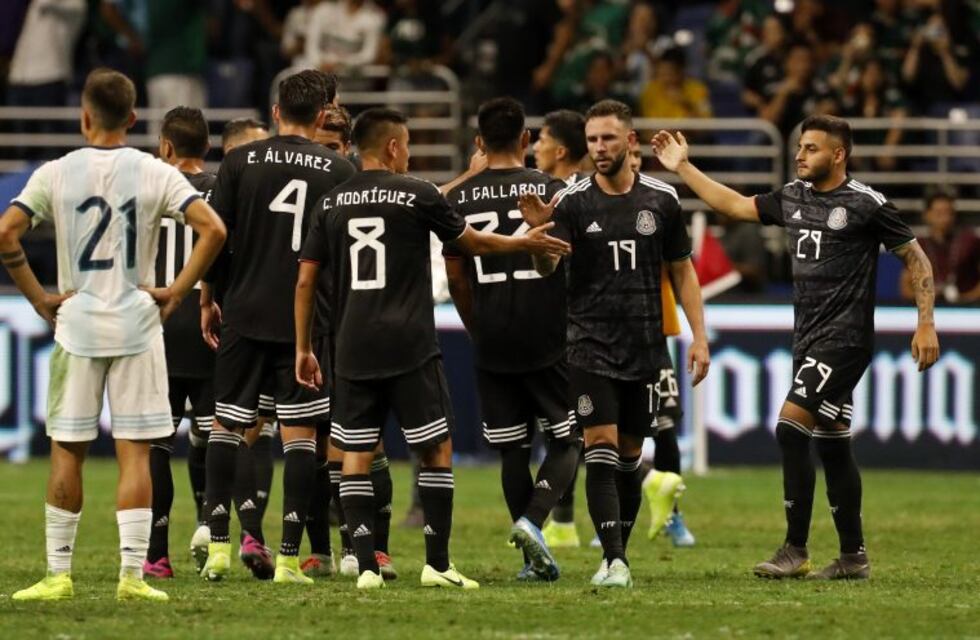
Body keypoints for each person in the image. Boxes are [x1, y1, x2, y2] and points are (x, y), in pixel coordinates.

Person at [652, 114, 940, 579]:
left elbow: (915, 255)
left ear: (839, 154)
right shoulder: (793, 197)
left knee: (790, 426)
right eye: (800, 147)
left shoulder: (866, 203)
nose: (800, 155)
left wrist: (925, 323)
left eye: (811, 148)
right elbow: (734, 205)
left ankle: (794, 548)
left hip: (844, 342)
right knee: (832, 445)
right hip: (807, 340)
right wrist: (683, 167)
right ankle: (853, 557)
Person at [295, 107, 570, 590]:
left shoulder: (331, 202)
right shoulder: (417, 192)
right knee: (435, 449)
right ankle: (437, 564)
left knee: (355, 454)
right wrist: (523, 242)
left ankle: (364, 567)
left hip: (351, 341)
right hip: (410, 342)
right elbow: (472, 243)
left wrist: (304, 347)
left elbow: (304, 281)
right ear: (396, 147)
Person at [2, 68, 226, 601]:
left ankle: (58, 574)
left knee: (66, 450)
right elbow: (214, 229)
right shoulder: (155, 171)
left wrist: (39, 298)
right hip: (137, 325)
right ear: (132, 118)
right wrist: (177, 290)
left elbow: (7, 233)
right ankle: (131, 578)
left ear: (83, 116)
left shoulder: (55, 172)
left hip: (75, 324)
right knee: (135, 451)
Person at [519, 99, 710, 588]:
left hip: (645, 349)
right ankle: (617, 561)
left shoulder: (661, 201)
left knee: (629, 456)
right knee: (600, 447)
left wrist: (699, 337)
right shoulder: (573, 201)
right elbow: (548, 268)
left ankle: (615, 556)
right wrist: (540, 237)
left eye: (607, 138)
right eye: (592, 140)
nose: (598, 148)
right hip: (588, 346)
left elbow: (683, 272)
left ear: (630, 142)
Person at [199, 69, 356, 585]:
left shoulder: (240, 160)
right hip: (302, 321)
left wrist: (208, 297)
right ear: (322, 115)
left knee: (228, 426)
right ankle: (289, 558)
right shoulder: (336, 169)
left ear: (275, 112)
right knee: (300, 438)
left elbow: (216, 234)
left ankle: (219, 546)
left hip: (243, 309)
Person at [444, 97, 580, 582]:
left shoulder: (459, 198)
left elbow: (456, 277)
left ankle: (531, 560)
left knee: (512, 449)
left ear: (478, 143)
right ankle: (533, 520)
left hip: (492, 332)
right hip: (547, 333)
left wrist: (476, 325)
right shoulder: (553, 191)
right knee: (569, 439)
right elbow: (566, 261)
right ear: (525, 140)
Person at [142, 106, 219, 580]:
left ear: (165, 147)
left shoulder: (143, 187)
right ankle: (217, 536)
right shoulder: (221, 189)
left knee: (156, 446)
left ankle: (157, 554)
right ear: (206, 148)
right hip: (213, 327)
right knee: (217, 440)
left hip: (158, 326)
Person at [901, 193, 980, 304]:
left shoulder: (970, 241)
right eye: (939, 213)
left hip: (968, 311)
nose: (945, 219)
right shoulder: (918, 246)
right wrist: (927, 299)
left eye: (949, 213)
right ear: (926, 214)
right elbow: (906, 288)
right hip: (930, 311)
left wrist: (965, 300)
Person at [533, 109, 592, 185]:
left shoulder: (588, 193)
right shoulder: (535, 188)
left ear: (560, 152)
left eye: (542, 141)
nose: (535, 147)